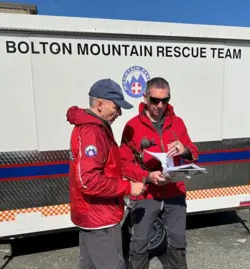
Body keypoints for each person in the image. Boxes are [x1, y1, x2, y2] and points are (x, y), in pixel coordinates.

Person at [119, 77, 199, 269]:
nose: (160, 105)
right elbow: (123, 164)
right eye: (155, 100)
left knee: (178, 244)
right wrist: (147, 176)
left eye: (165, 100)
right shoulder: (132, 126)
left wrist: (184, 149)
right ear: (145, 97)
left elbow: (194, 153)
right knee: (139, 244)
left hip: (174, 191)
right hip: (146, 191)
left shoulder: (177, 123)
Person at [66, 78, 145, 269]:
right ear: (100, 104)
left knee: (89, 265)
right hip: (99, 218)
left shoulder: (96, 127)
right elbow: (89, 181)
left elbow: (100, 170)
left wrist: (121, 177)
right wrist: (128, 187)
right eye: (116, 107)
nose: (119, 113)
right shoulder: (92, 131)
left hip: (92, 216)